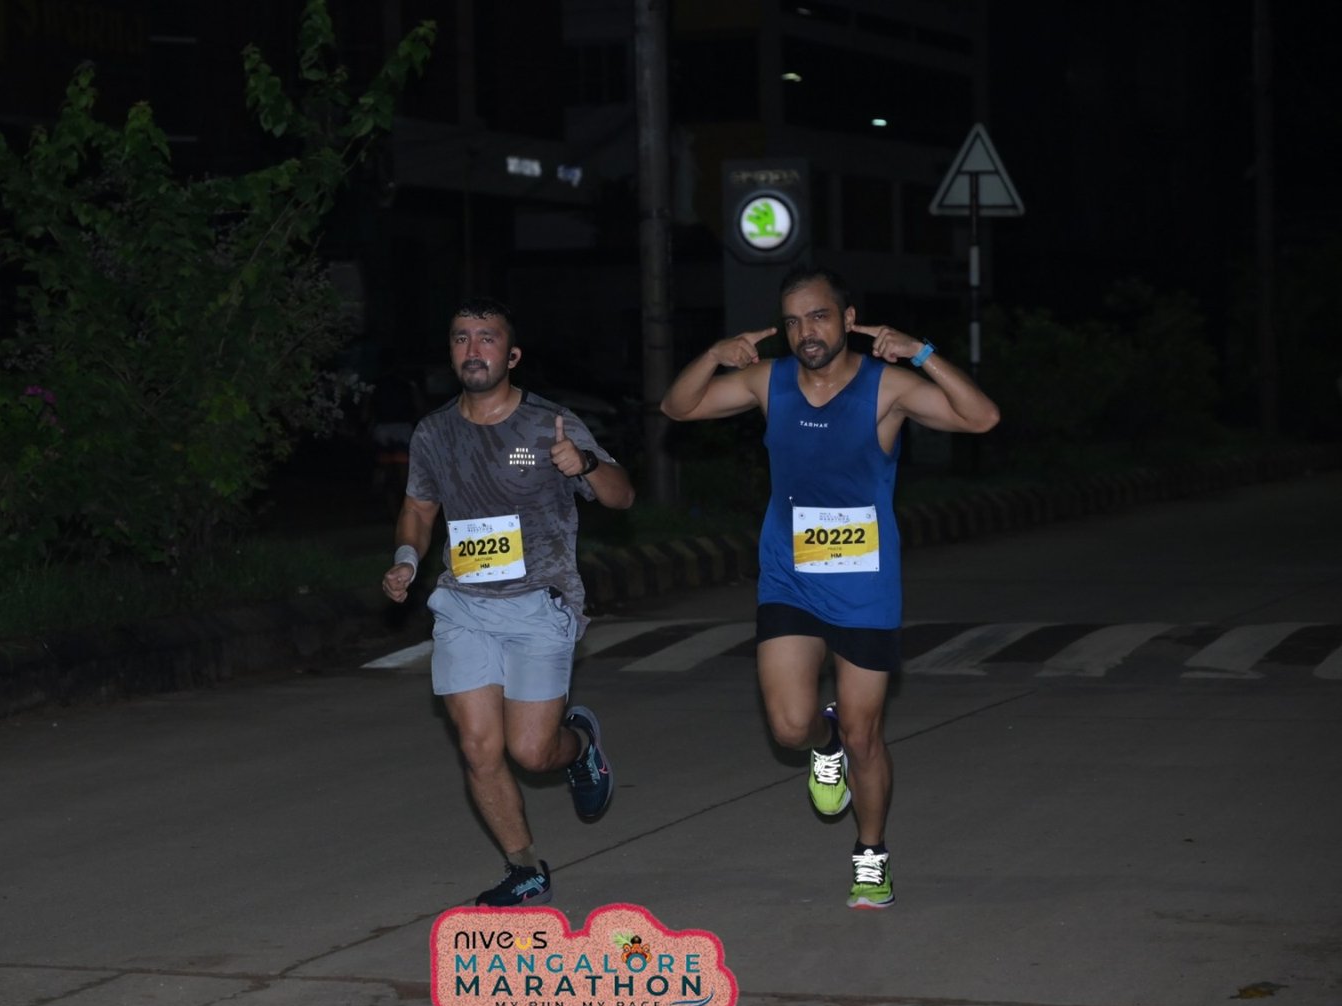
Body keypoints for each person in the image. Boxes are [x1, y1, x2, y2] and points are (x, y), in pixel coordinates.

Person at [659, 266, 999, 909]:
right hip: (788, 578)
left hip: (864, 586)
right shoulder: (769, 381)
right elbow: (678, 408)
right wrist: (712, 356)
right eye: (792, 322)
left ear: (848, 320)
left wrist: (922, 352)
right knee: (791, 727)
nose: (805, 332)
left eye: (818, 317)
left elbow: (981, 418)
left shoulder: (886, 386)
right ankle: (825, 744)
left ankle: (871, 854)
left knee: (866, 735)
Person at [382, 296, 636, 907]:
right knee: (478, 747)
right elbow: (419, 509)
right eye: (461, 338)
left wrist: (585, 463)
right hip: (464, 605)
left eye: (487, 338)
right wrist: (407, 559)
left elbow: (622, 496)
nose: (473, 349)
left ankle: (580, 747)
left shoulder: (551, 423)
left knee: (531, 751)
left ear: (512, 355)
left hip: (538, 604)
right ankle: (524, 867)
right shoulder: (435, 432)